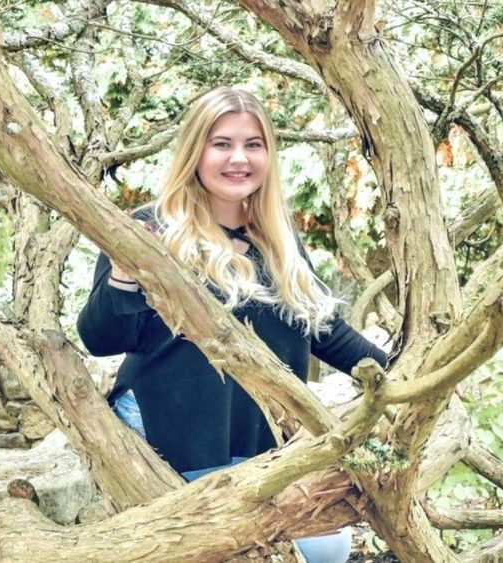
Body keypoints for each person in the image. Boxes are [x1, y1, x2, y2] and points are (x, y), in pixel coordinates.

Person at [77, 87, 387, 563]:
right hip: (172, 434)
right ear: (195, 151)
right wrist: (124, 272)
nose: (238, 158)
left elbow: (322, 328)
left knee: (330, 548)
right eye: (221, 143)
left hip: (261, 439)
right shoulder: (152, 228)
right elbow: (99, 338)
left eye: (253, 144)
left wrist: (403, 378)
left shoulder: (277, 237)